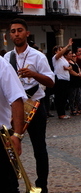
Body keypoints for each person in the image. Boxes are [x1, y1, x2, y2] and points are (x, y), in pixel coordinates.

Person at [4, 18, 55, 193]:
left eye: (19, 30)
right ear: (9, 35)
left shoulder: (38, 56)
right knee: (9, 148)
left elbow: (51, 82)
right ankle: (13, 183)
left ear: (27, 33)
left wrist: (33, 74)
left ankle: (42, 184)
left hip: (35, 107)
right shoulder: (6, 58)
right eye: (13, 31)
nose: (16, 34)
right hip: (14, 110)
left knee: (39, 148)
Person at [0, 56, 27, 193]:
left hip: (0, 137)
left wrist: (17, 134)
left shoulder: (2, 65)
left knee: (6, 184)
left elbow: (17, 99)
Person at [52, 38, 73, 119]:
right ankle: (60, 113)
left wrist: (69, 69)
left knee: (64, 97)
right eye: (60, 49)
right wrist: (68, 45)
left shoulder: (63, 59)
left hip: (66, 79)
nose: (62, 50)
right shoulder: (55, 58)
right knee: (60, 97)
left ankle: (63, 112)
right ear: (56, 51)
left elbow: (69, 67)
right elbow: (60, 53)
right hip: (60, 79)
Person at [63, 49, 81, 115]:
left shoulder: (74, 62)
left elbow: (78, 68)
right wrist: (78, 74)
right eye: (69, 54)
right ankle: (72, 109)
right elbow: (70, 71)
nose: (71, 55)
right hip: (72, 80)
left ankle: (80, 108)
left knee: (79, 95)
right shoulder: (67, 63)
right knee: (72, 96)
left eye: (71, 54)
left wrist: (80, 73)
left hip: (77, 80)